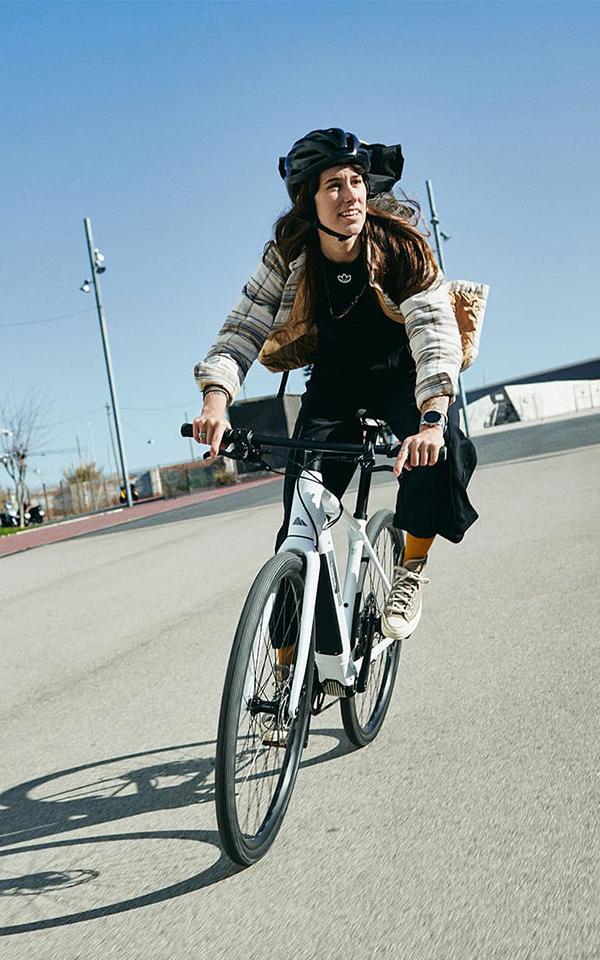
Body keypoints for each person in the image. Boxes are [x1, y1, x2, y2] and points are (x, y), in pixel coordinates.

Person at [193, 128, 484, 641]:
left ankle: (410, 571)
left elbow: (436, 336)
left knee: (442, 453)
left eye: (356, 182)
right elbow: (243, 328)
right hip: (333, 385)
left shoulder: (400, 247)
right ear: (309, 198)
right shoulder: (290, 254)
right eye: (333, 185)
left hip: (404, 374)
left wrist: (432, 420)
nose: (350, 195)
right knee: (297, 529)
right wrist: (216, 404)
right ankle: (288, 671)